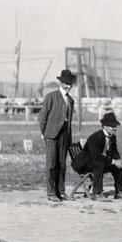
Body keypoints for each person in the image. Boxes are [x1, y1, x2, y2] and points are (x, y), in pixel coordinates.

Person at [38, 69, 76, 201]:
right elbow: (42, 116)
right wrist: (44, 132)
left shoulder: (71, 100)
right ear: (61, 83)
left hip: (64, 134)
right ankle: (51, 192)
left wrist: (69, 137)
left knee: (62, 164)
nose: (69, 86)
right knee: (52, 164)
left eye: (70, 84)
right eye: (66, 83)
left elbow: (69, 121)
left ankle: (60, 191)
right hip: (51, 134)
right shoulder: (51, 96)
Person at [74, 111, 122, 199]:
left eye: (115, 126)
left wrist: (118, 160)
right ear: (104, 126)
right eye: (112, 126)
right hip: (84, 164)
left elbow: (114, 151)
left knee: (119, 166)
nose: (115, 128)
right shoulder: (96, 137)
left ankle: (119, 192)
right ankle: (97, 193)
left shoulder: (113, 137)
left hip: (98, 161)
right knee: (99, 164)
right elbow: (96, 156)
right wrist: (113, 161)